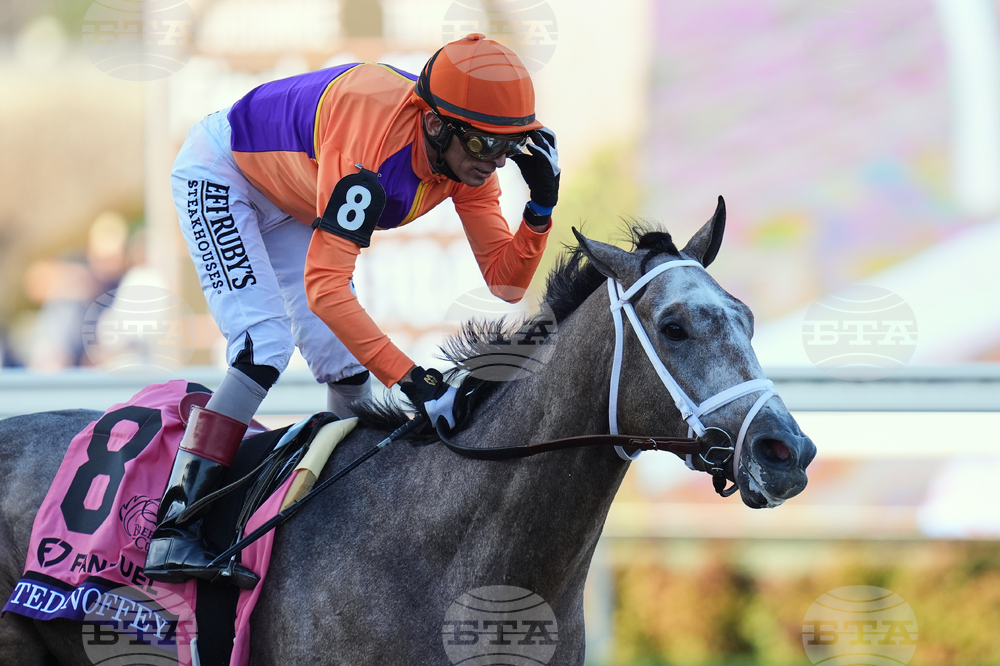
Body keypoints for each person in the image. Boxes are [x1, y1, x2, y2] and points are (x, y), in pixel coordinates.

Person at [144, 33, 560, 588]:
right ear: (435, 125)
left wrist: (540, 207)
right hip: (225, 174)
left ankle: (339, 517)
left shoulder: (465, 161)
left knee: (346, 368)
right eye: (488, 145)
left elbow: (506, 285)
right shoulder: (375, 136)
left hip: (294, 197)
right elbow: (326, 289)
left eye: (512, 146)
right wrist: (415, 382)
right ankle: (175, 526)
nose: (498, 161)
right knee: (264, 345)